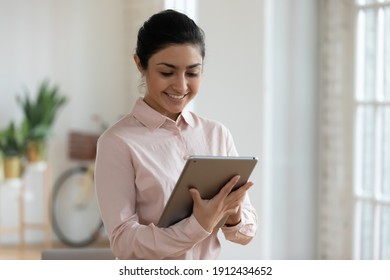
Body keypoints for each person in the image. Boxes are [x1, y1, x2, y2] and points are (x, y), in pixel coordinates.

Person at [94, 9, 257, 260]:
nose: (181, 86)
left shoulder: (217, 134)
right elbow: (124, 242)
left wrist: (232, 213)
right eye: (167, 72)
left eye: (192, 73)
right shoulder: (116, 143)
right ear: (140, 64)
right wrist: (197, 225)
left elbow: (245, 234)